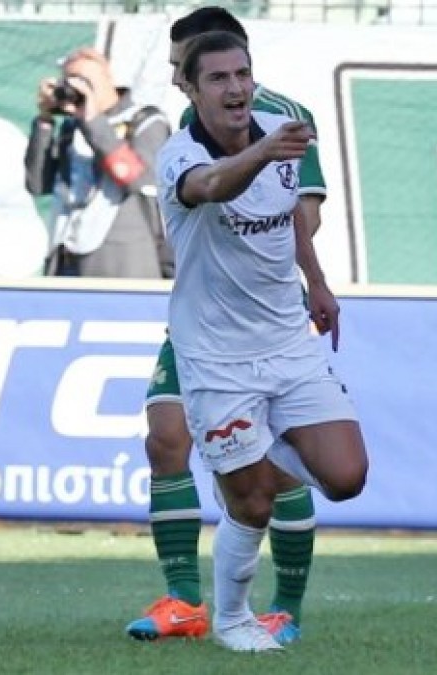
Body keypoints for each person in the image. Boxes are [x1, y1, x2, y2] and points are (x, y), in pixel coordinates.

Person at [153, 30, 368, 652]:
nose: (236, 87)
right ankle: (231, 620)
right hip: (215, 357)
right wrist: (265, 150)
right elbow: (213, 187)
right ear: (191, 90)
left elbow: (293, 212)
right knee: (251, 506)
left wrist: (317, 281)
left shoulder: (280, 131)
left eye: (242, 74)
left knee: (347, 476)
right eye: (218, 78)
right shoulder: (178, 155)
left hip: (287, 342)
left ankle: (244, 454)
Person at [126, 7, 329, 645]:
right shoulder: (190, 130)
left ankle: (285, 607)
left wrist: (313, 282)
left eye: (179, 63)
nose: (173, 75)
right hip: (198, 321)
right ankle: (185, 601)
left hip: (264, 322)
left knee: (278, 465)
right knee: (165, 439)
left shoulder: (284, 117)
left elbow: (304, 216)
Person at [24, 47, 173, 279]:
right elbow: (37, 184)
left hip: (122, 262)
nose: (77, 87)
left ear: (108, 78)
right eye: (69, 81)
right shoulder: (72, 127)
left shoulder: (145, 120)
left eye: (84, 80)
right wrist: (45, 120)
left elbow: (138, 179)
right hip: (66, 254)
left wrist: (93, 121)